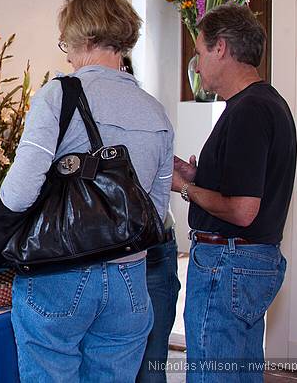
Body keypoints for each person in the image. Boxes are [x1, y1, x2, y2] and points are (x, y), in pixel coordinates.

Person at [0, 0, 174, 382]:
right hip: (130, 280)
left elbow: (19, 193)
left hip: (60, 270)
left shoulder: (58, 96)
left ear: (84, 37)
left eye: (66, 41)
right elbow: (157, 213)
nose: (66, 54)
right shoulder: (155, 111)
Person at [172, 3, 296, 382]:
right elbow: (247, 183)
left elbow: (243, 210)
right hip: (244, 264)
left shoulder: (249, 111)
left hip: (227, 265)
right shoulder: (265, 103)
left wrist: (186, 187)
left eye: (199, 52)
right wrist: (200, 174)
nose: (196, 65)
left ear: (220, 48)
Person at [123, 55, 181, 383]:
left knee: (152, 359)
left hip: (153, 250)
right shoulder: (81, 118)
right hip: (112, 254)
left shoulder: (149, 115)